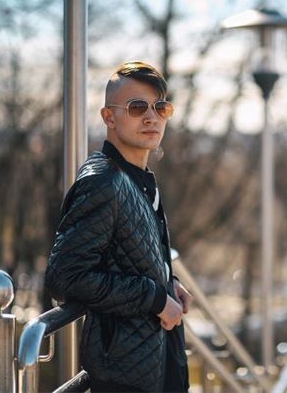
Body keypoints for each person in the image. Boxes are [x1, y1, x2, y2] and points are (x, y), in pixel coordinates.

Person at [45, 61, 192, 392]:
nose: (151, 117)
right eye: (137, 107)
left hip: (156, 364)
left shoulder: (137, 179)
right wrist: (155, 298)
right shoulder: (102, 182)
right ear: (109, 117)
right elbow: (65, 277)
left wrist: (168, 281)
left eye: (160, 107)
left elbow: (124, 254)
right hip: (124, 376)